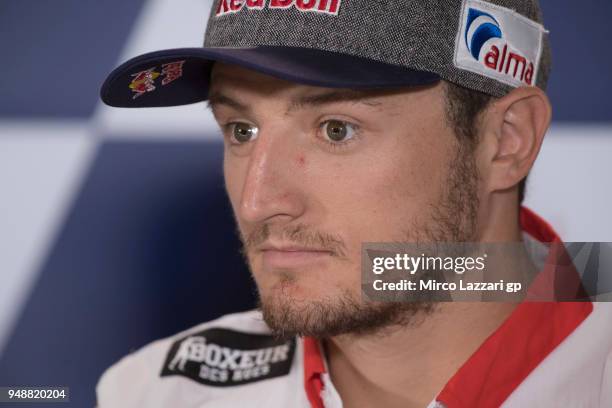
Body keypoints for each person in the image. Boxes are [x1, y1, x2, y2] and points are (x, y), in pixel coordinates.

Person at [97, 0, 612, 407]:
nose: (258, 202)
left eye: (336, 130)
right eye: (242, 130)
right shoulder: (154, 391)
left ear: (507, 140)